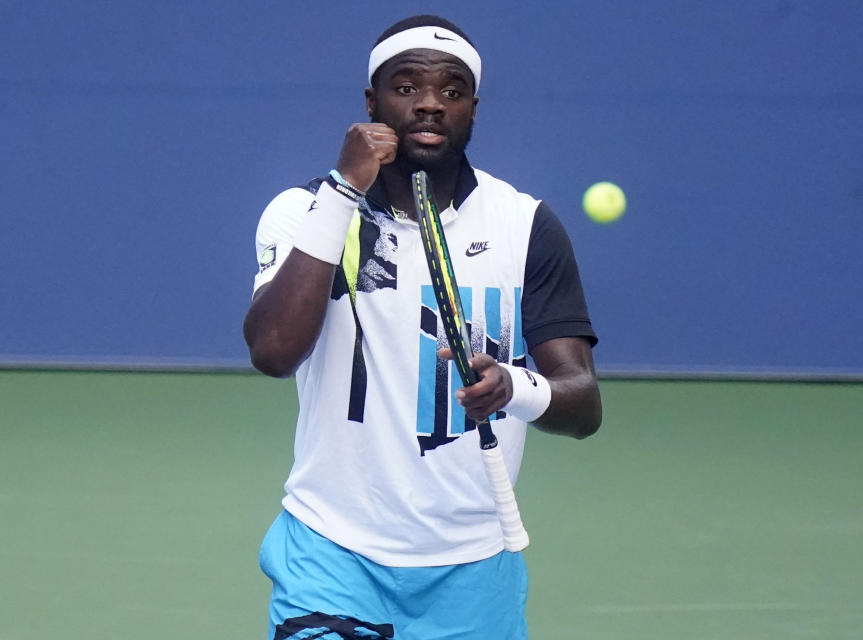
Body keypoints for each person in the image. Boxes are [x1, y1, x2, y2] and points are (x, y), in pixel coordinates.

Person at [243, 14, 601, 640]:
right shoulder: (305, 211)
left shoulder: (526, 226)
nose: (430, 104)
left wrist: (514, 388)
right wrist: (343, 189)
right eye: (407, 88)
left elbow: (582, 403)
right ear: (371, 102)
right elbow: (273, 351)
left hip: (474, 565)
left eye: (452, 91)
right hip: (331, 549)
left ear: (473, 109)